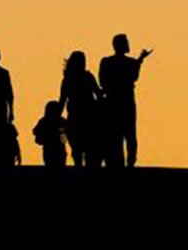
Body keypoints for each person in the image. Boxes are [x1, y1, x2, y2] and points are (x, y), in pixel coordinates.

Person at [98, 34, 153, 167]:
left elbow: (102, 81)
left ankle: (119, 164)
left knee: (116, 136)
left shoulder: (106, 62)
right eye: (126, 42)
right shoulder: (128, 63)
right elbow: (134, 76)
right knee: (129, 134)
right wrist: (140, 59)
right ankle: (129, 164)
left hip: (112, 102)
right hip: (126, 102)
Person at [58, 51, 101, 167]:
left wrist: (57, 117)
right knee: (87, 149)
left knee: (78, 149)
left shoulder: (68, 80)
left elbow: (62, 100)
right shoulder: (87, 77)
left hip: (77, 117)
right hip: (86, 118)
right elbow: (99, 94)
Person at [32, 100, 67, 167]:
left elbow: (35, 131)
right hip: (56, 148)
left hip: (52, 148)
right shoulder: (60, 120)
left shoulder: (44, 120)